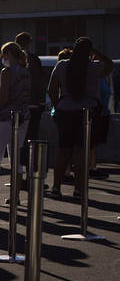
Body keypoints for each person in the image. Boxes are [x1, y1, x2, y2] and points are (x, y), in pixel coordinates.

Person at [47, 37, 114, 197]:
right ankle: (78, 189)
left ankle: (56, 187)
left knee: (63, 150)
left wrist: (58, 106)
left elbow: (52, 89)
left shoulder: (62, 65)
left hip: (65, 111)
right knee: (81, 152)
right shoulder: (93, 67)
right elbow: (110, 65)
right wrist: (95, 51)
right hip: (87, 113)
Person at [0, 42, 30, 205]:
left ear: (9, 54)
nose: (2, 58)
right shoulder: (26, 72)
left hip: (5, 117)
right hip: (23, 117)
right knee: (16, 157)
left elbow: (3, 98)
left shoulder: (6, 72)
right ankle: (15, 196)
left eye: (4, 54)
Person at [14, 32, 45, 181]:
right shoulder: (33, 59)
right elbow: (39, 82)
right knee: (31, 140)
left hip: (17, 107)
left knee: (18, 142)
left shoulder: (11, 60)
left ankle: (19, 176)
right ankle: (30, 175)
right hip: (32, 106)